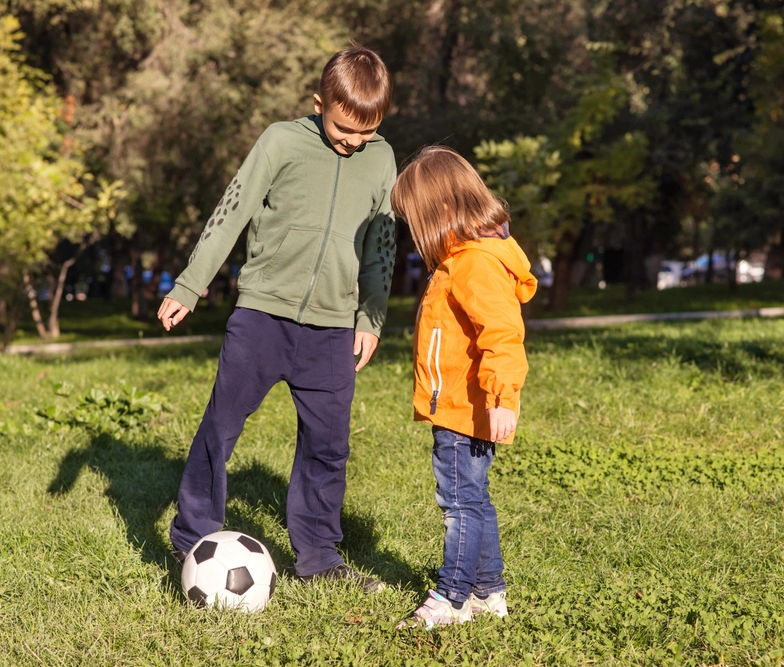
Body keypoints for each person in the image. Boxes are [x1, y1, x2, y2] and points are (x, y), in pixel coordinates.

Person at [157, 47, 397, 593]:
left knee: (328, 447)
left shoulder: (382, 159)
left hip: (334, 328)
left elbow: (382, 245)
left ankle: (319, 558)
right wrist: (191, 284)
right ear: (319, 103)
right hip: (262, 316)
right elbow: (231, 211)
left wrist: (371, 318)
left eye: (367, 131)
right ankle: (193, 539)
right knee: (220, 427)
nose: (353, 141)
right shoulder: (281, 141)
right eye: (343, 128)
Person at [390, 146, 537, 628]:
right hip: (459, 405)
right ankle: (488, 593)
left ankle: (451, 598)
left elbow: (502, 334)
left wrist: (502, 398)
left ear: (444, 209)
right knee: (474, 500)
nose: (416, 234)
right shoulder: (461, 259)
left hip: (465, 408)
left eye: (419, 221)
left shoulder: (474, 263)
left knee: (458, 505)